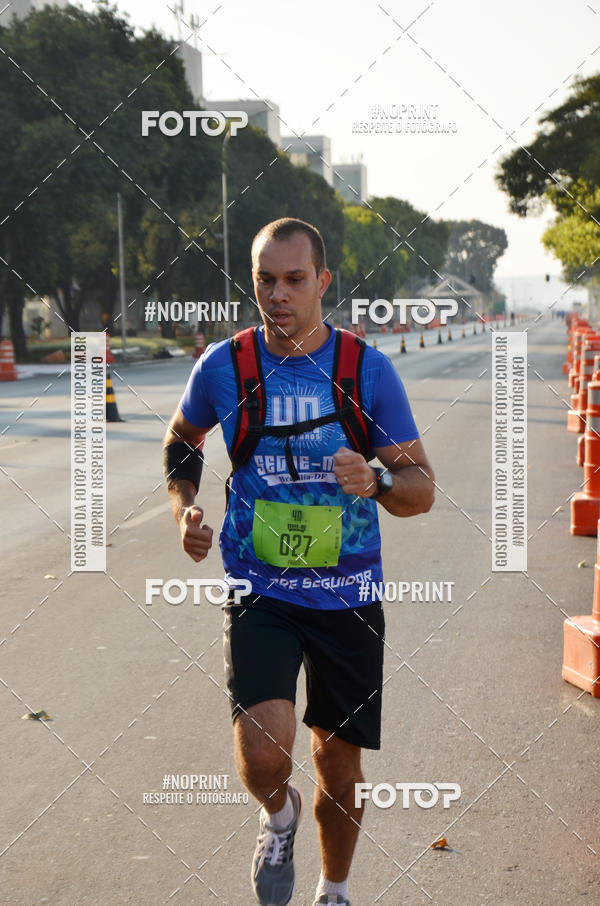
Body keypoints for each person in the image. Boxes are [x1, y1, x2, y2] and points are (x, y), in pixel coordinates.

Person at [163, 217, 435, 906]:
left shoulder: (364, 371)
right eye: (264, 280)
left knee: (337, 766)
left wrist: (373, 482)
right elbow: (182, 439)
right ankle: (278, 816)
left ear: (323, 282)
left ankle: (333, 891)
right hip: (263, 589)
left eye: (293, 279)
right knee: (265, 751)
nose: (278, 294)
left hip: (348, 594)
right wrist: (185, 510)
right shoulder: (225, 366)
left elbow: (421, 489)